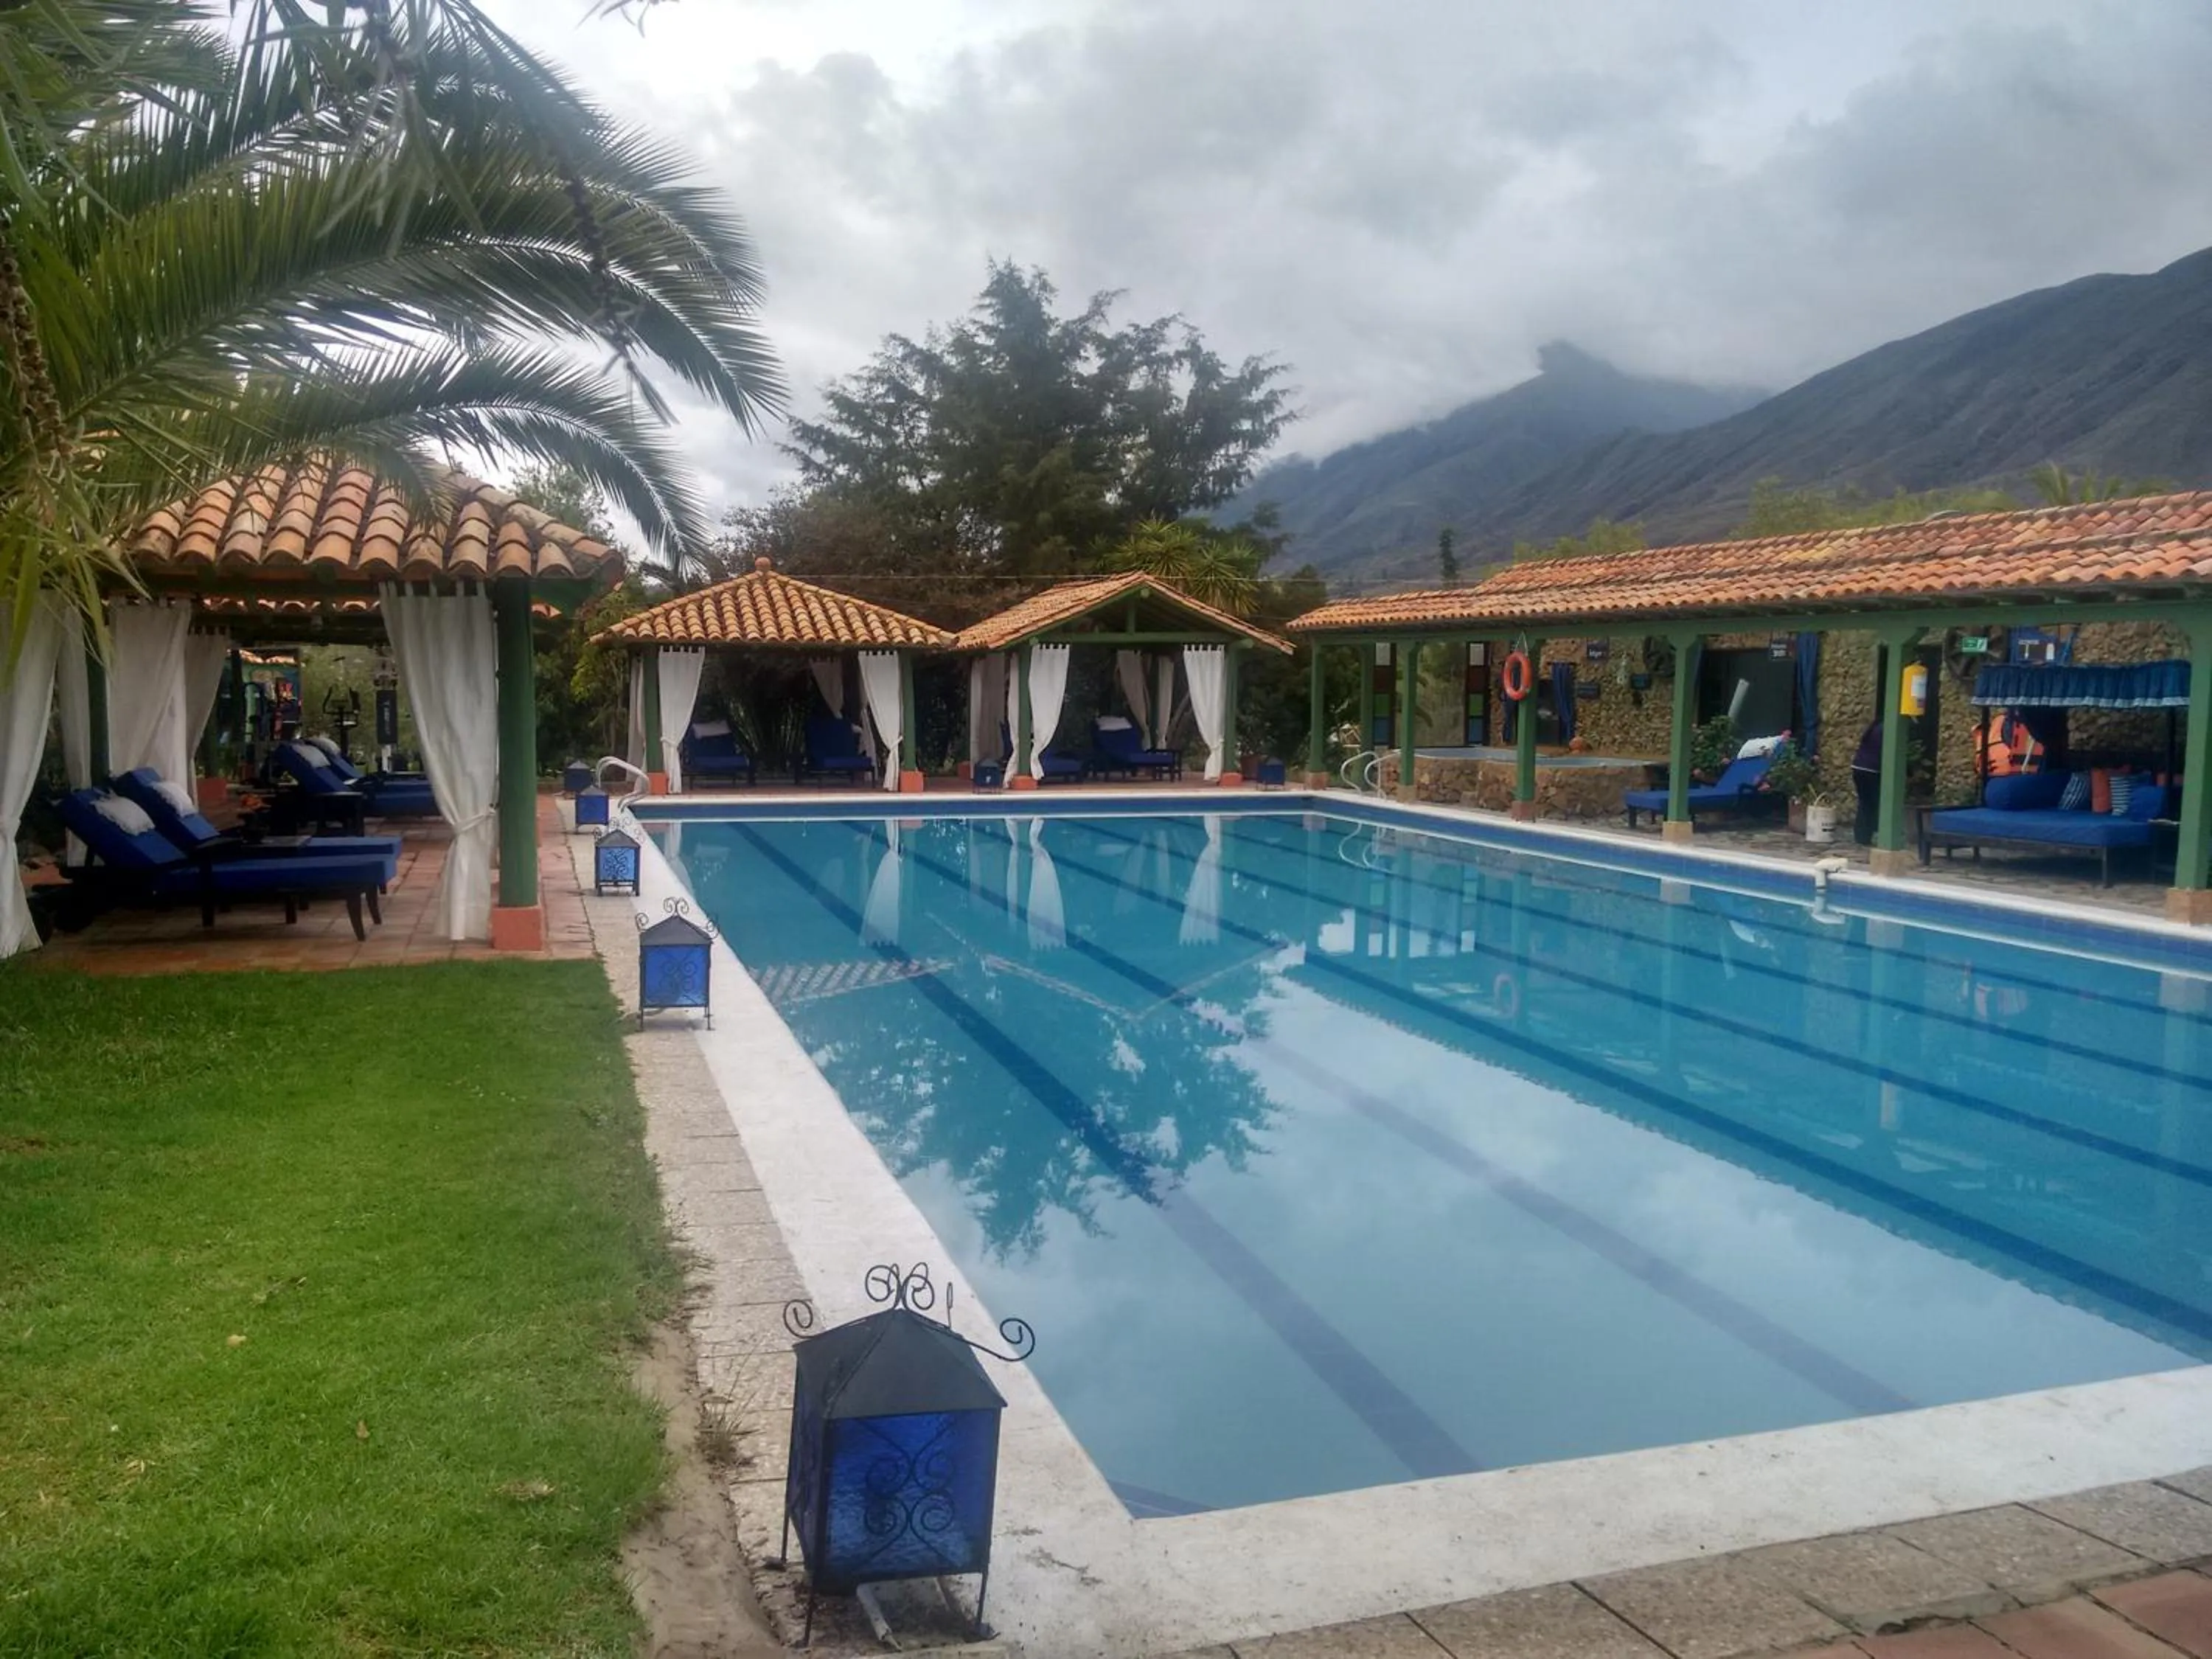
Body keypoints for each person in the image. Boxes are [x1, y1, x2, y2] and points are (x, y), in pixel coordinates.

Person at [1851, 718, 1882, 846]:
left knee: (1864, 802)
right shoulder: (1886, 730)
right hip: (1871, 769)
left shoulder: (1874, 727)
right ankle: (1867, 835)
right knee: (1872, 803)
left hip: (1858, 767)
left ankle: (1861, 835)